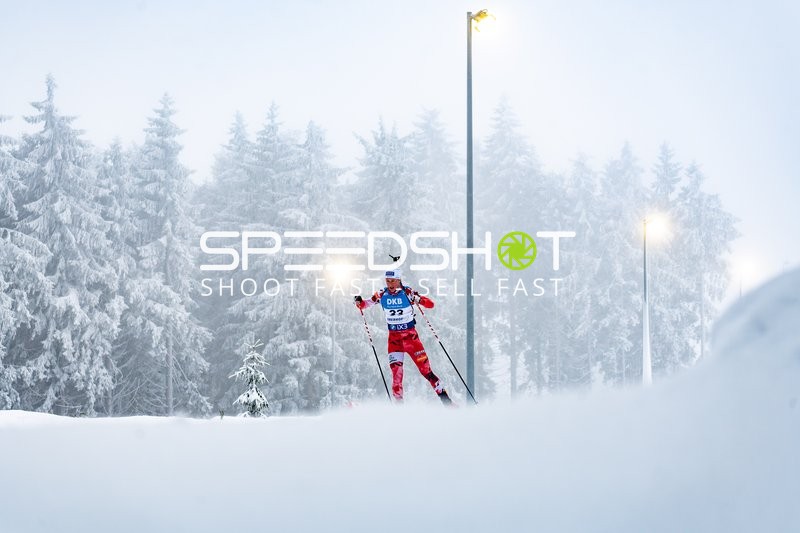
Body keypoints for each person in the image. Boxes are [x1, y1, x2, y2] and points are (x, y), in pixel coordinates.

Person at [354, 269, 452, 405]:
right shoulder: (382, 294)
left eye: (393, 281)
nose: (390, 284)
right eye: (387, 281)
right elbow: (365, 304)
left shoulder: (407, 293)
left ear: (399, 280)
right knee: (396, 375)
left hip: (411, 340)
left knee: (426, 371)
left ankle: (446, 401)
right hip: (394, 341)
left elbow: (430, 304)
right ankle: (399, 409)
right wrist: (359, 302)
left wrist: (419, 299)